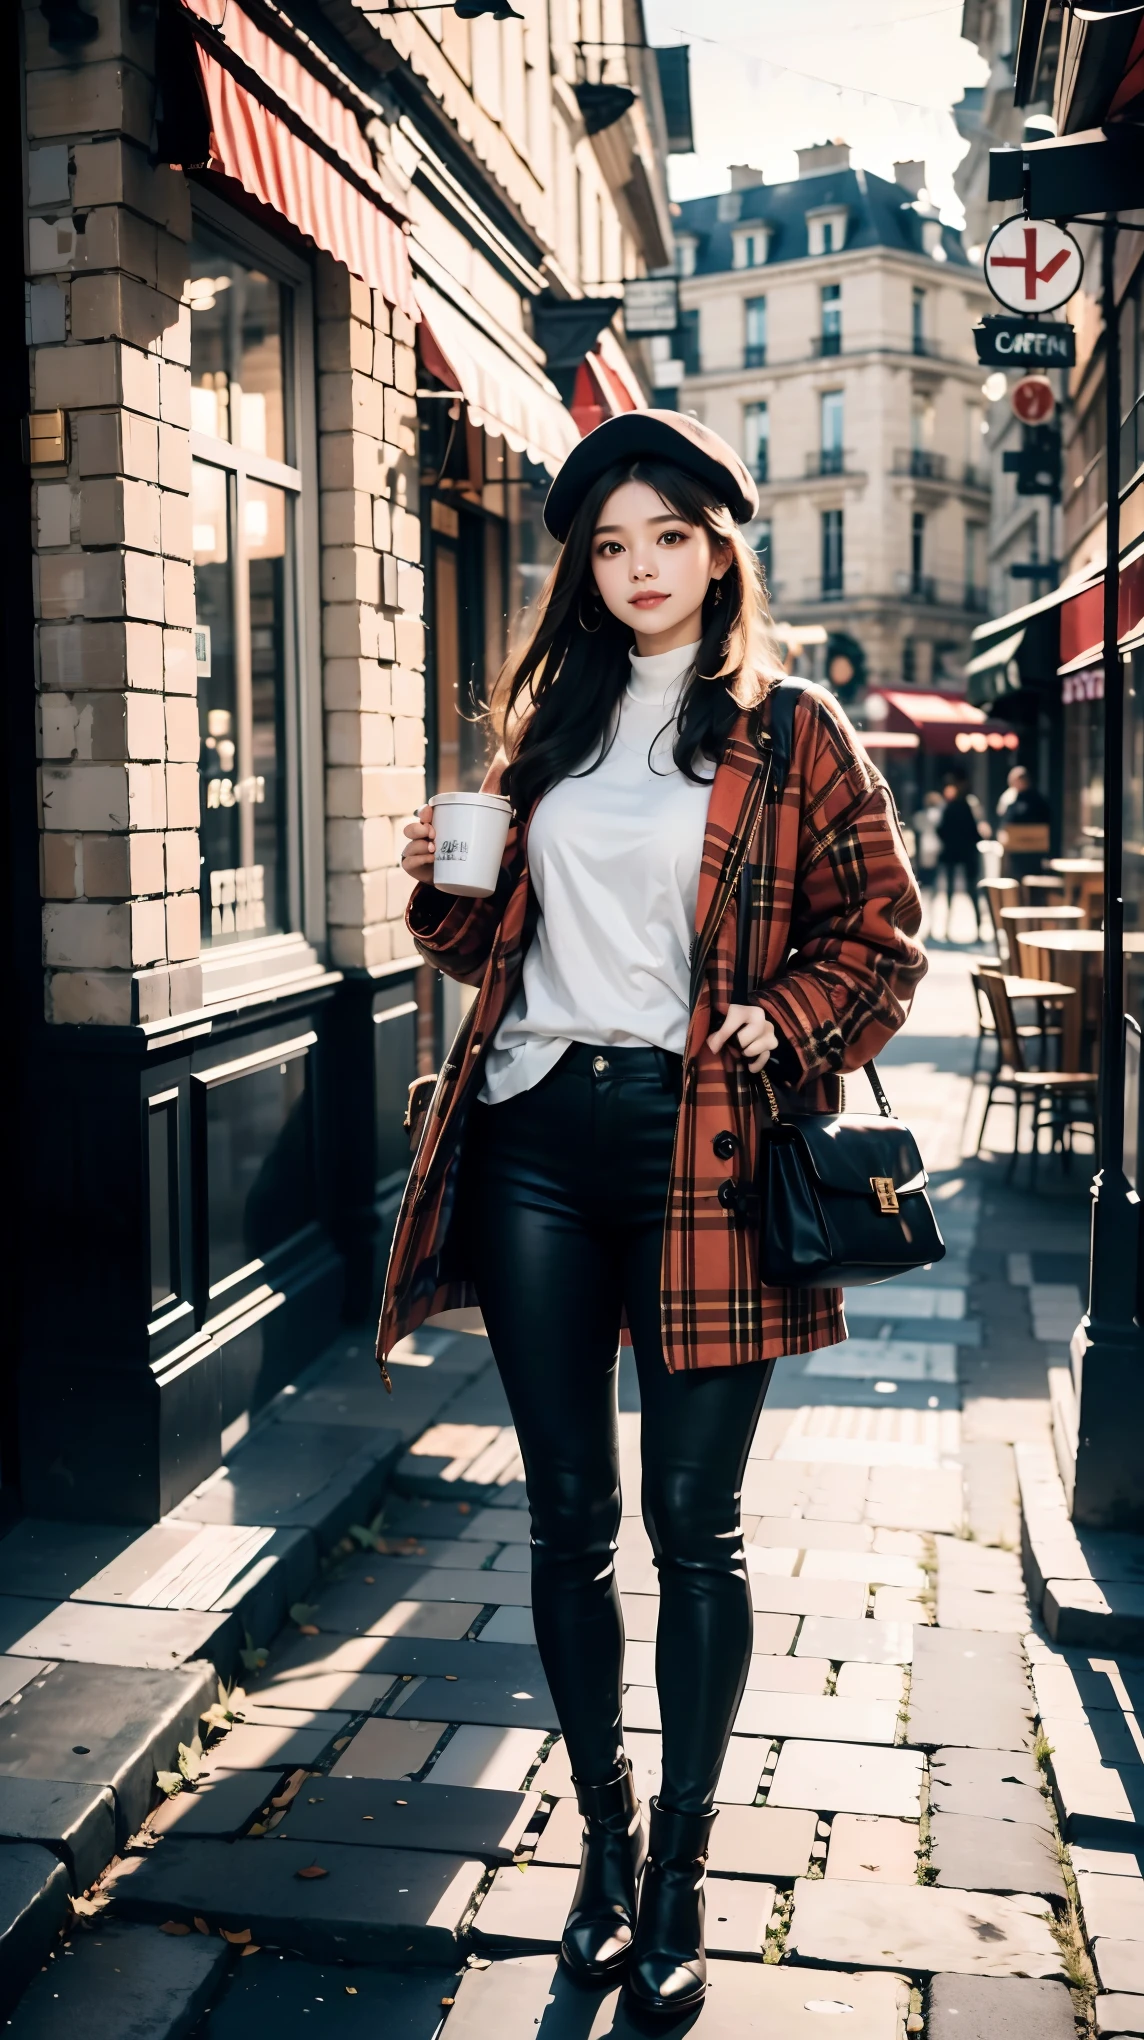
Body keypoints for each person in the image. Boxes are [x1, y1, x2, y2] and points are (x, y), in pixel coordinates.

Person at [379, 413, 924, 2018]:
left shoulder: (793, 726)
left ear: (717, 546)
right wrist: (445, 876)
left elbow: (881, 936)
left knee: (697, 1530)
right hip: (537, 1133)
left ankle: (684, 1862)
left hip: (707, 1145)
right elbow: (488, 951)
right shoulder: (549, 725)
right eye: (609, 547)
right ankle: (604, 1850)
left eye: (665, 540)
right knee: (563, 1520)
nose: (636, 571)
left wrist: (789, 1022)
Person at [936, 767, 989, 941]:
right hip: (965, 851)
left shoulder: (958, 805)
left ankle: (951, 929)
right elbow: (975, 831)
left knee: (959, 891)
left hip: (956, 851)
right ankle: (952, 929)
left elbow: (941, 829)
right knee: (966, 891)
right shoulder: (964, 804)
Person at [996, 763, 1052, 880]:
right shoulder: (1012, 798)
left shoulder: (1037, 799)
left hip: (1033, 849)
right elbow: (1006, 819)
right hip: (1016, 849)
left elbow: (1045, 820)